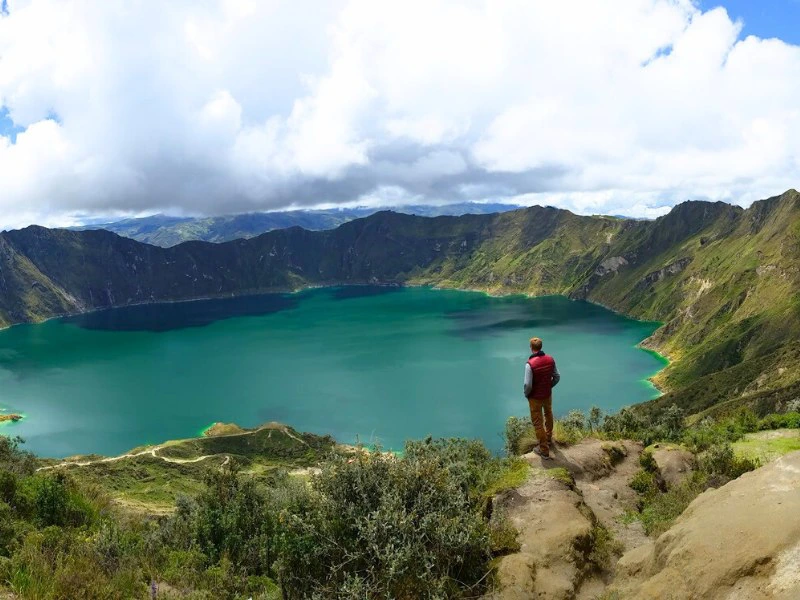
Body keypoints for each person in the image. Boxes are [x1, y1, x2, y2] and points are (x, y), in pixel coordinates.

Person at [523, 337, 560, 459]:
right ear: (541, 347)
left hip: (535, 398)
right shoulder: (550, 359)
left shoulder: (530, 365)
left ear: (531, 348)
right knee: (548, 414)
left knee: (538, 423)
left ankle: (544, 450)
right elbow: (557, 376)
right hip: (547, 395)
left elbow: (527, 384)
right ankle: (548, 439)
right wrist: (549, 386)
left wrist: (527, 394)